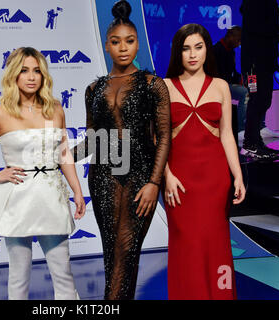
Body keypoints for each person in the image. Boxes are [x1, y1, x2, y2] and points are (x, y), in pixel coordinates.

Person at [0, 47, 85, 300]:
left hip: (52, 196)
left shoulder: (56, 109)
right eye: (24, 71)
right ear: (13, 75)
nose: (31, 77)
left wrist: (77, 190)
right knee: (19, 274)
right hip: (17, 198)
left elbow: (64, 153)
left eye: (37, 71)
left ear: (44, 76)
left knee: (63, 272)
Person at [74, 0, 171, 300]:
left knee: (126, 249)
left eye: (129, 41)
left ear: (138, 43)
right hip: (103, 178)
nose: (123, 48)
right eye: (116, 42)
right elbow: (92, 139)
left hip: (140, 177)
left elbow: (165, 136)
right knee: (112, 254)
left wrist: (154, 183)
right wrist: (61, 155)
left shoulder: (154, 85)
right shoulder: (94, 89)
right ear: (106, 46)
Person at [163, 23, 246, 300]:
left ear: (206, 49)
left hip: (215, 179)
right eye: (186, 48)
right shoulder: (163, 87)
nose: (192, 54)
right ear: (178, 52)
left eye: (198, 47)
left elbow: (227, 136)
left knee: (216, 245)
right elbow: (156, 140)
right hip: (180, 183)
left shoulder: (221, 86)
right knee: (186, 245)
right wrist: (167, 175)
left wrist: (238, 176)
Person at [240, 0, 279, 159]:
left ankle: (255, 141)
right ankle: (250, 144)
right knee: (257, 100)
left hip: (263, 62)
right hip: (254, 64)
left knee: (264, 100)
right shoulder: (254, 3)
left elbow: (259, 34)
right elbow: (254, 26)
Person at [212, 26, 249, 140]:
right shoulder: (216, 50)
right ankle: (240, 130)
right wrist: (236, 84)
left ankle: (260, 127)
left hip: (226, 84)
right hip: (215, 86)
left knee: (253, 89)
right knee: (244, 93)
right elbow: (217, 76)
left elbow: (232, 73)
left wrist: (242, 80)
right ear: (231, 36)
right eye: (238, 40)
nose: (239, 44)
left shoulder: (230, 51)